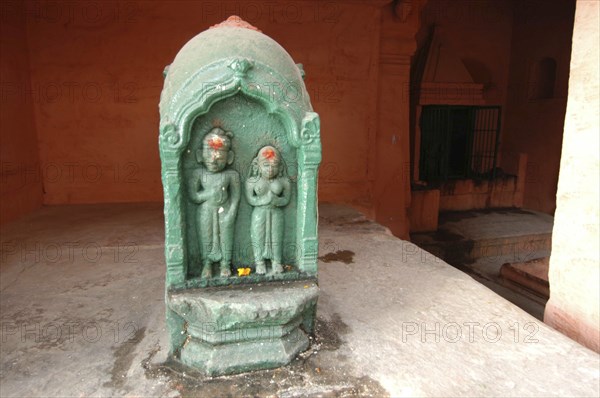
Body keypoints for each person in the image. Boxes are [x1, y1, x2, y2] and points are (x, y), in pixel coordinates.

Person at [187, 127, 240, 278]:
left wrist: (232, 212)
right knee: (206, 236)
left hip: (226, 209)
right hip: (205, 210)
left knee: (226, 236)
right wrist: (210, 193)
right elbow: (193, 196)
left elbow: (236, 197)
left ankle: (225, 263)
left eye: (220, 155)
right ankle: (207, 264)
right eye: (209, 153)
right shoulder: (198, 174)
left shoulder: (232, 175)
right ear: (200, 155)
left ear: (229, 157)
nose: (214, 159)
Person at [245, 146, 291, 274]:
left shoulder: (284, 181)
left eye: (274, 165)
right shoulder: (252, 181)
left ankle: (276, 261)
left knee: (276, 236)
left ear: (280, 167)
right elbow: (250, 199)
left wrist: (276, 201)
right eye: (266, 165)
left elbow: (286, 199)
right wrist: (265, 200)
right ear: (257, 165)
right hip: (259, 213)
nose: (270, 169)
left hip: (276, 212)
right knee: (258, 236)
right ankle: (259, 262)